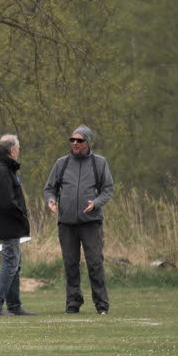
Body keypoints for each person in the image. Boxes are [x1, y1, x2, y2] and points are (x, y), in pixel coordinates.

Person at [44, 125, 114, 314]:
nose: (75, 143)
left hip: (91, 223)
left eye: (79, 140)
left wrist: (96, 202)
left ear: (88, 142)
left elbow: (108, 190)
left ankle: (101, 304)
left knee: (95, 263)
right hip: (66, 224)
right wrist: (51, 200)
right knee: (70, 264)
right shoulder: (62, 163)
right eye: (72, 140)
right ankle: (73, 303)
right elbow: (50, 188)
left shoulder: (99, 163)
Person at [0, 134, 35, 316]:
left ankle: (14, 305)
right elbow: (7, 202)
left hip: (8, 224)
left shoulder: (3, 169)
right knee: (10, 263)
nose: (19, 152)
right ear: (12, 150)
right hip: (8, 225)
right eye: (18, 148)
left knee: (15, 263)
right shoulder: (1, 171)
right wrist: (21, 215)